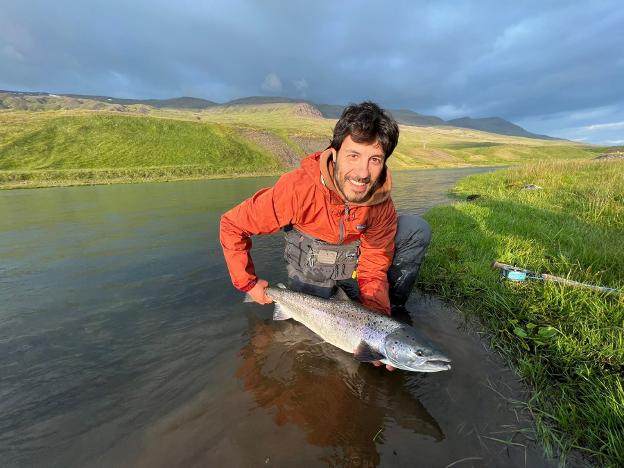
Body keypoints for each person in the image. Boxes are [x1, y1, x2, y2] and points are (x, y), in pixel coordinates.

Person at [220, 102, 432, 366]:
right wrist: (248, 283)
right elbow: (232, 225)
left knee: (415, 229)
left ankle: (390, 315)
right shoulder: (297, 189)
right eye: (353, 155)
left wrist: (378, 326)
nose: (363, 173)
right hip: (309, 278)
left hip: (350, 275)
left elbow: (374, 265)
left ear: (384, 162)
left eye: (374, 159)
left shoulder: (382, 205)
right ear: (335, 152)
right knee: (305, 346)